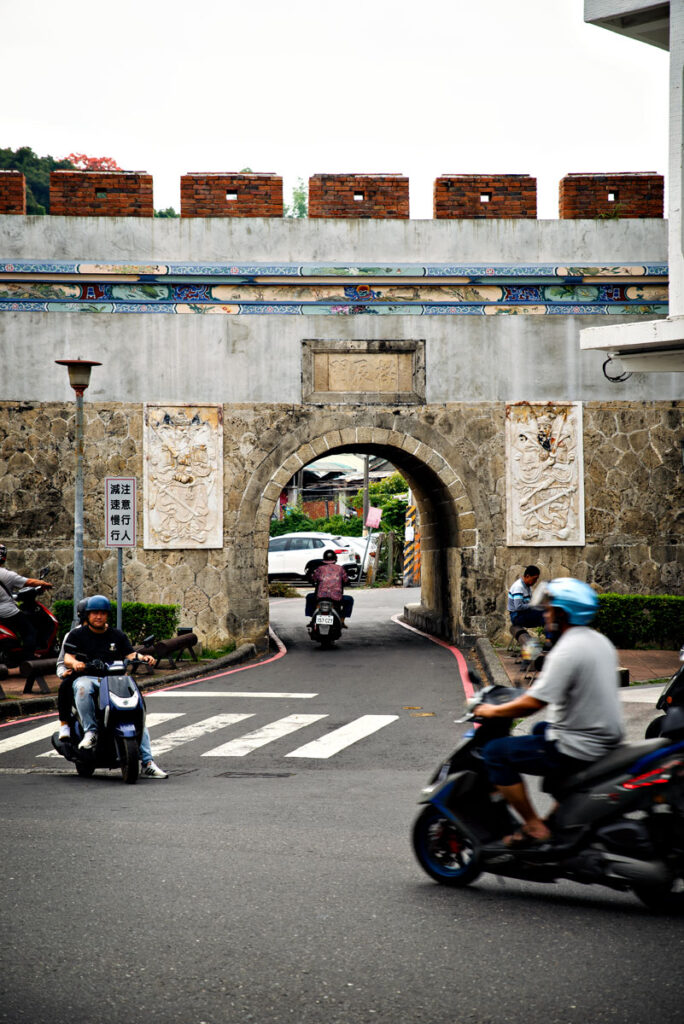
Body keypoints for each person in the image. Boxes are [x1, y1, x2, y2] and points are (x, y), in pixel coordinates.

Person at [475, 578, 624, 848]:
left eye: (550, 610)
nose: (545, 615)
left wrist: (492, 710)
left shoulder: (567, 650)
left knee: (495, 753)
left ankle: (534, 827)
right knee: (538, 730)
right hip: (604, 736)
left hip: (577, 745)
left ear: (563, 614)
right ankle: (560, 809)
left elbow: (533, 703)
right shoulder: (600, 642)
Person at [59, 594, 168, 779]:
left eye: (102, 613)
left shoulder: (117, 635)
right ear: (87, 615)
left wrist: (144, 658)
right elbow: (68, 657)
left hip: (114, 680)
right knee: (82, 688)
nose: (99, 617)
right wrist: (75, 664)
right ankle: (91, 731)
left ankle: (148, 762)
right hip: (88, 677)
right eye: (94, 613)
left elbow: (130, 654)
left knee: (135, 714)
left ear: (107, 615)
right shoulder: (77, 634)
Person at [0, 543, 52, 659]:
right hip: (7, 612)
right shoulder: (7, 574)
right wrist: (44, 583)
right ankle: (29, 657)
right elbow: (29, 582)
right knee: (29, 631)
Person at [311, 550, 349, 627]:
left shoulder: (320, 569)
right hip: (336, 598)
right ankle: (342, 621)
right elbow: (346, 580)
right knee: (349, 600)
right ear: (335, 559)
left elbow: (313, 578)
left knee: (309, 597)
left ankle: (312, 619)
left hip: (321, 597)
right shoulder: (340, 569)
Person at [507, 565, 545, 631]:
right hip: (516, 616)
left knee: (546, 611)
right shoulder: (518, 587)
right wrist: (533, 605)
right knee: (544, 616)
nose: (535, 581)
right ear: (527, 576)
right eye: (534, 579)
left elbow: (529, 602)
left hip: (523, 613)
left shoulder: (527, 586)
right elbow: (518, 607)